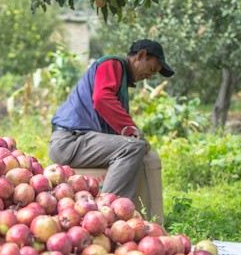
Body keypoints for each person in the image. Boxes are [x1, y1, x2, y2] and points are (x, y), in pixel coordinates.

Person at [48, 39, 174, 201]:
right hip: (70, 140)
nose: (149, 76)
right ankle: (108, 209)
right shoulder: (113, 64)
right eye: (151, 69)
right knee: (132, 148)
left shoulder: (121, 81)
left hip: (78, 141)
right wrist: (131, 130)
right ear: (141, 55)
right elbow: (102, 98)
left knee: (134, 147)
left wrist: (134, 137)